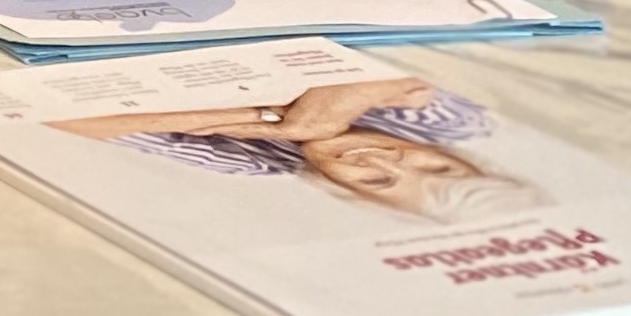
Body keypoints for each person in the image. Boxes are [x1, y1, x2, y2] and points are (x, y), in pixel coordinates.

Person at [54, 76, 539, 226]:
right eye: (435, 167)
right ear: (463, 158)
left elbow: (72, 119)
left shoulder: (257, 164)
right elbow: (405, 78)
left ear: (356, 199)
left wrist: (265, 117)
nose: (373, 160)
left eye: (376, 183)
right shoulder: (450, 123)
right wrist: (346, 98)